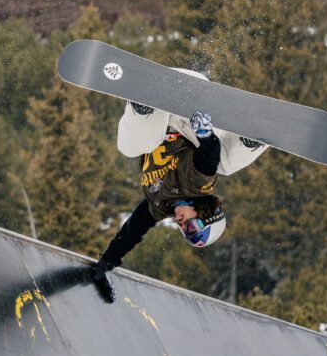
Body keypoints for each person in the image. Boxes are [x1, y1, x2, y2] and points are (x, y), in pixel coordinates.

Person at [90, 70, 269, 303]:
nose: (184, 227)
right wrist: (205, 136)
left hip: (159, 114)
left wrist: (105, 265)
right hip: (190, 118)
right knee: (224, 164)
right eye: (193, 228)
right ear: (207, 215)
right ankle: (250, 140)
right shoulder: (198, 187)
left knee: (130, 148)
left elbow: (132, 232)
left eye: (186, 234)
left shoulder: (159, 207)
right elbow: (208, 159)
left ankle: (142, 108)